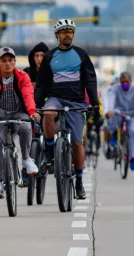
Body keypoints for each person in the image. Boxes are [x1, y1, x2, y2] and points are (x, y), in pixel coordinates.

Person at [36, 19, 100, 200]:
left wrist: (94, 103)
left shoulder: (81, 54)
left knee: (77, 143)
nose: (68, 35)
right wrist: (36, 105)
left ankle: (79, 181)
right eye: (64, 32)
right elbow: (41, 84)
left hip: (77, 102)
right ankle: (49, 150)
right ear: (57, 36)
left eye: (70, 32)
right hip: (56, 99)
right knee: (48, 114)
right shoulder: (49, 56)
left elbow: (90, 80)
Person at [0, 46, 40, 198]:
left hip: (19, 113)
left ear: (15, 62)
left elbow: (27, 94)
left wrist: (32, 112)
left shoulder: (22, 76)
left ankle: (26, 159)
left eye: (10, 60)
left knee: (26, 129)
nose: (7, 63)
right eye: (4, 61)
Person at [104, 72, 134, 171]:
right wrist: (109, 110)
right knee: (113, 119)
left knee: (133, 132)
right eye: (123, 82)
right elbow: (111, 99)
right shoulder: (115, 88)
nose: (125, 84)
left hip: (132, 114)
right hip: (119, 112)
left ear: (131, 81)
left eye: (127, 81)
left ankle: (133, 158)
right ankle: (114, 135)